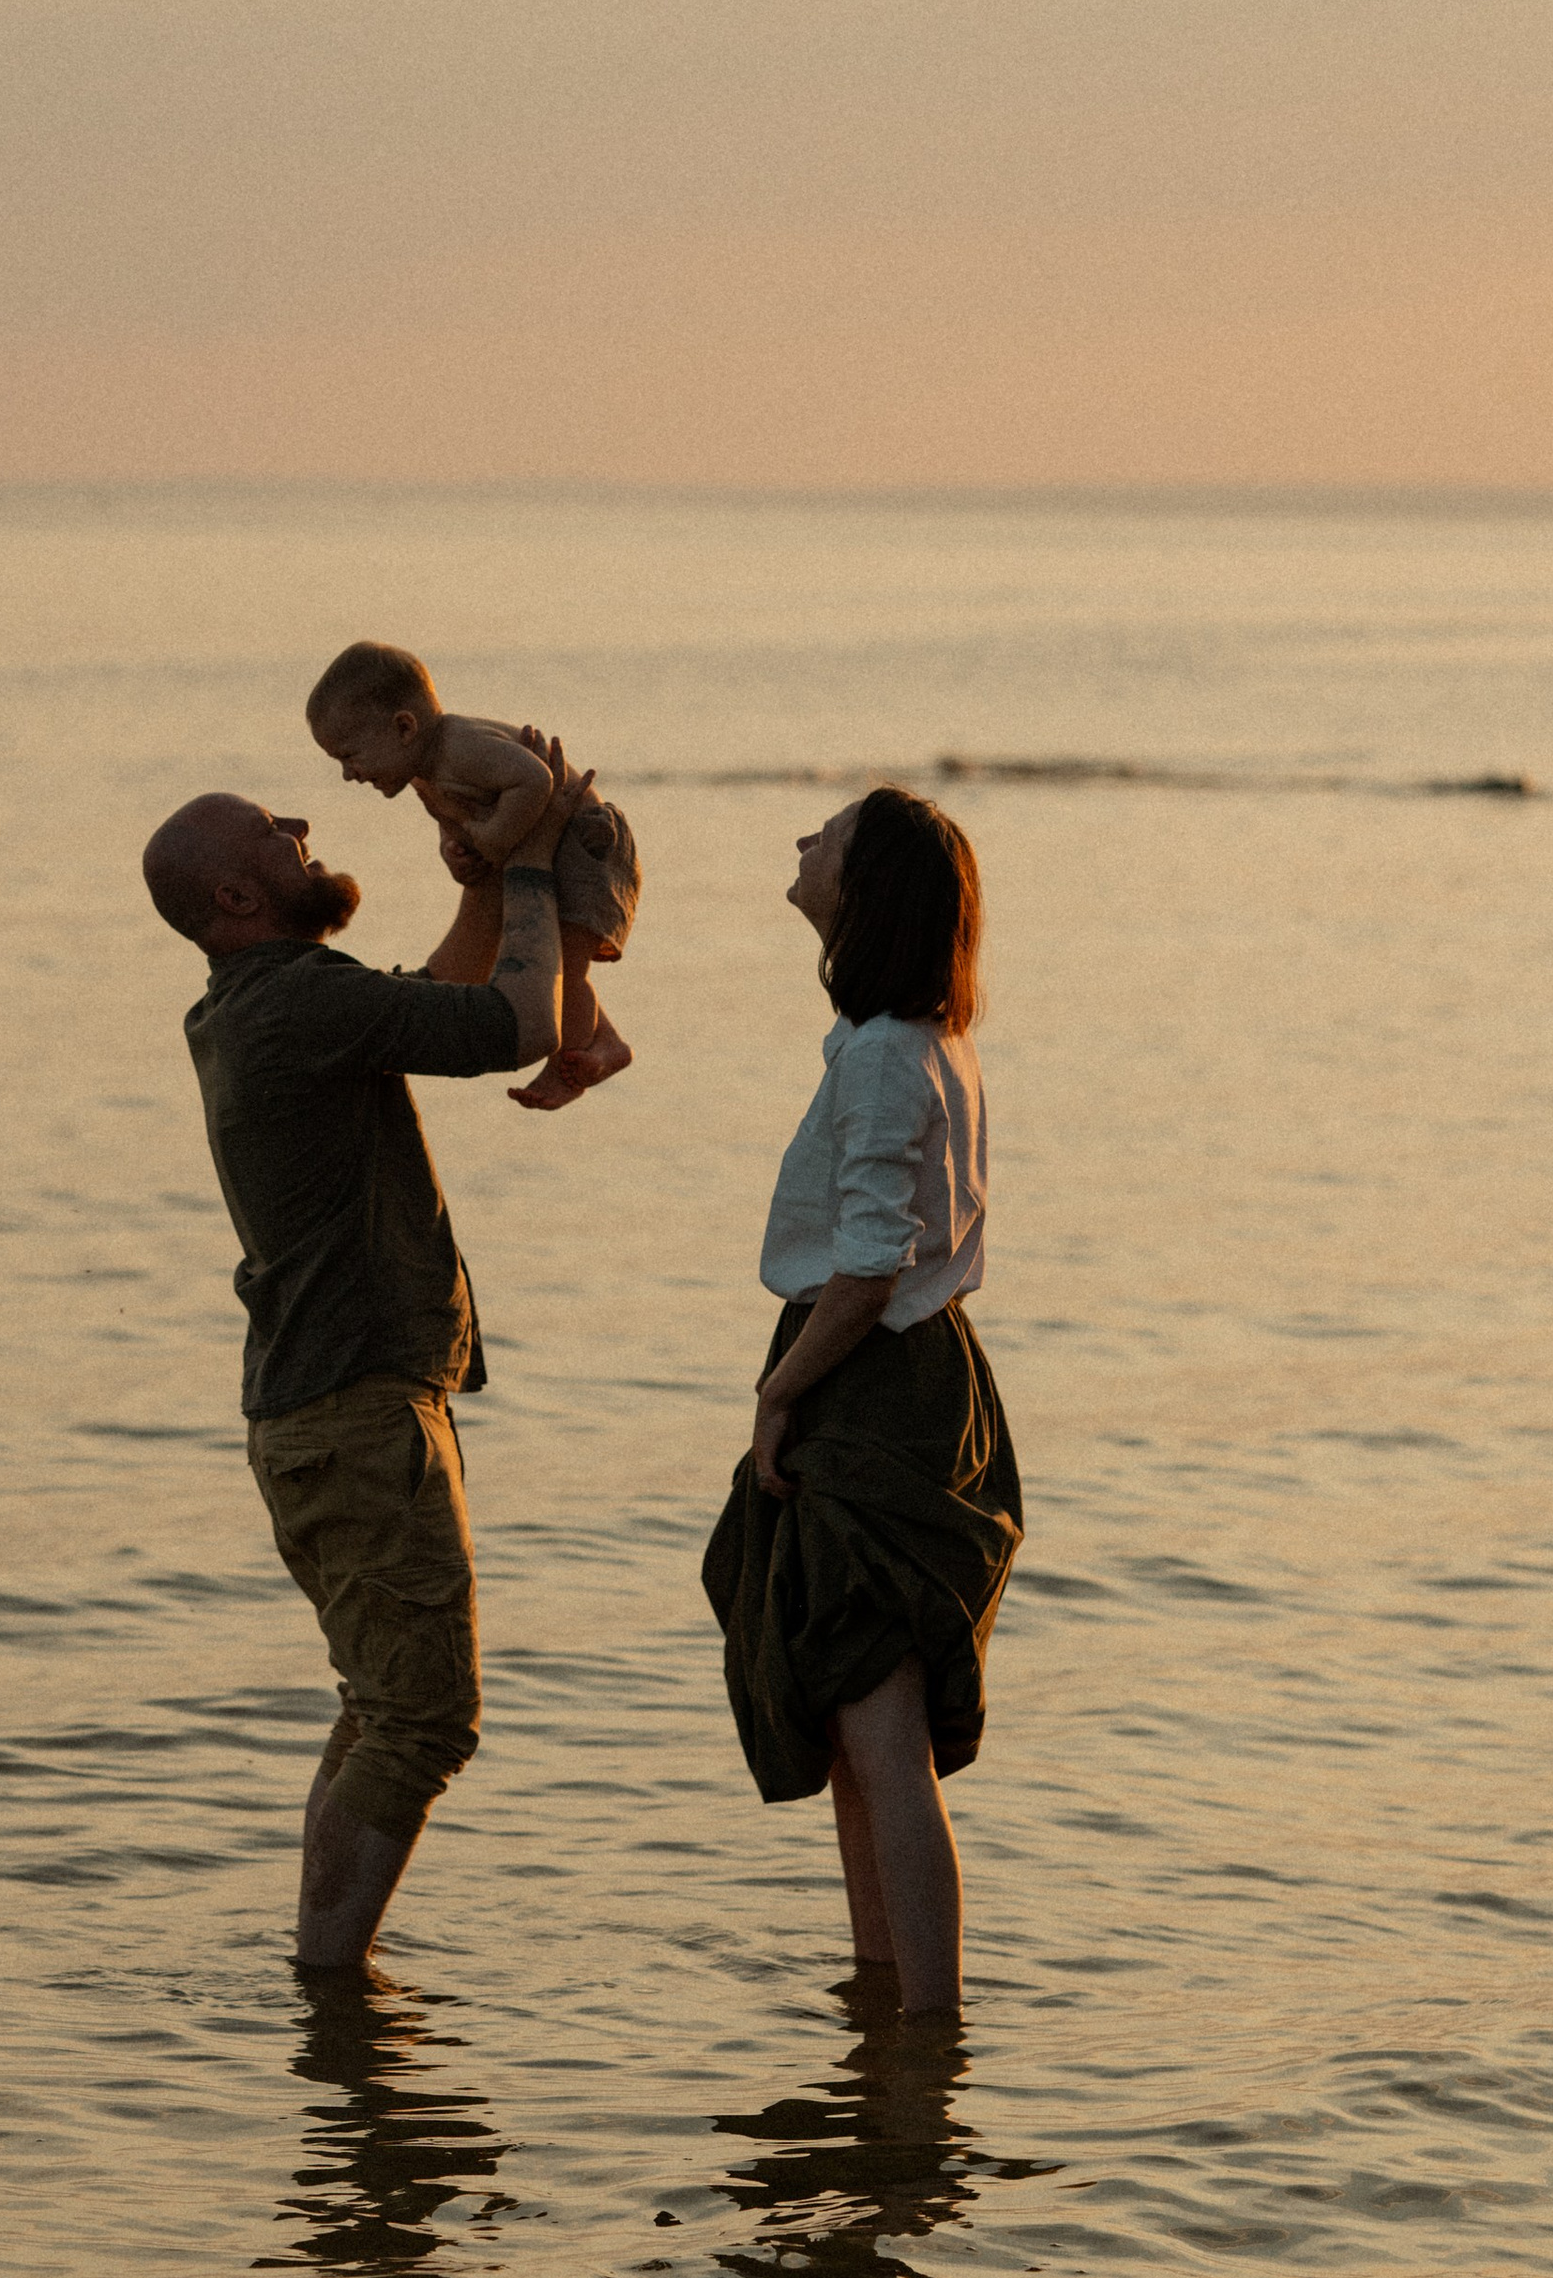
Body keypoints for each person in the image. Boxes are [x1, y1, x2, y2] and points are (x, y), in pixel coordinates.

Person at [142, 758, 589, 1970]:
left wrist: (490, 881)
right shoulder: (294, 1005)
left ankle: (327, 1971)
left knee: (381, 1706)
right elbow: (512, 1023)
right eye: (274, 833)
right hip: (352, 1416)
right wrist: (540, 858)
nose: (302, 827)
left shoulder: (265, 1003)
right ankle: (330, 1985)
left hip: (324, 1414)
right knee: (421, 1717)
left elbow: (432, 998)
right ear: (238, 898)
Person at [702, 786, 1022, 2018]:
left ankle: (924, 2028)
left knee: (880, 1731)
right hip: (892, 1365)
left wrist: (779, 1391)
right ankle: (882, 2000)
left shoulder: (893, 1051)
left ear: (866, 888)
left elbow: (872, 1261)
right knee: (853, 1718)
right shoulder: (902, 1039)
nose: (799, 844)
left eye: (824, 838)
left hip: (871, 1374)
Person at [304, 639, 641, 1111]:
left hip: (585, 840)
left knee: (566, 962)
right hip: (554, 843)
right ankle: (606, 1043)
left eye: (350, 756)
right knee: (535, 953)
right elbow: (454, 822)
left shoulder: (461, 747)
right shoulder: (426, 773)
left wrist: (498, 840)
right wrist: (455, 851)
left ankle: (575, 1061)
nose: (348, 774)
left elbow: (535, 780)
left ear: (404, 727)